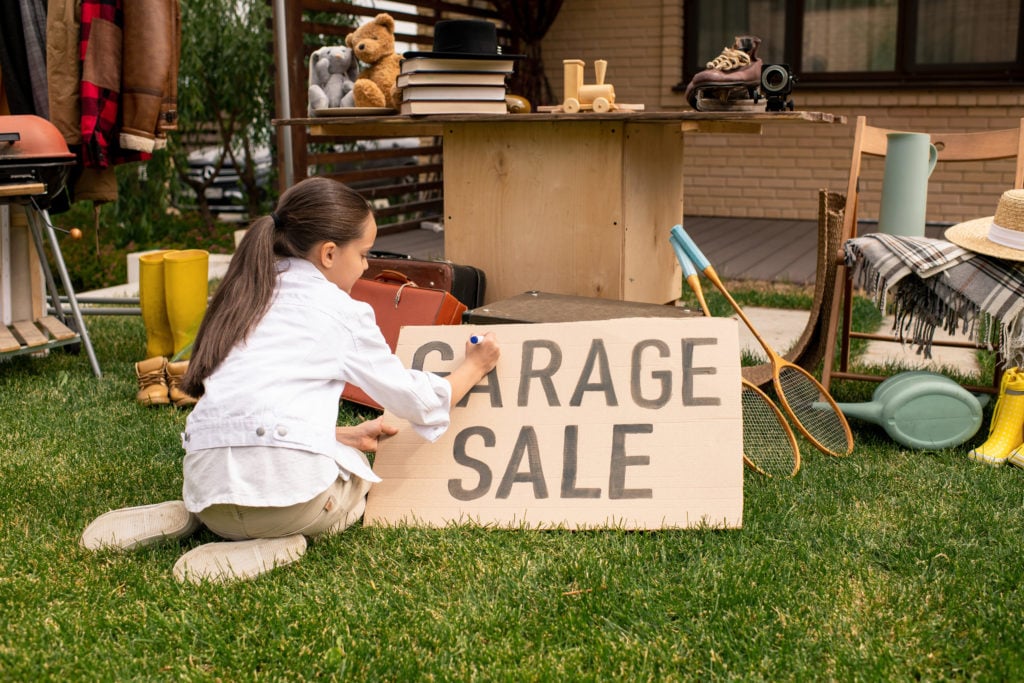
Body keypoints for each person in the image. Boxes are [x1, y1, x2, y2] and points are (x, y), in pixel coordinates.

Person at [80, 177, 500, 583]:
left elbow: (256, 400)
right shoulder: (342, 312)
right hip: (290, 508)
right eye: (365, 253)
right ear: (330, 253)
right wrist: (474, 366)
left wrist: (339, 436)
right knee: (358, 489)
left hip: (206, 492)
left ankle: (193, 515)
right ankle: (278, 540)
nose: (368, 265)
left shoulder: (243, 296)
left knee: (305, 465)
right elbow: (419, 401)